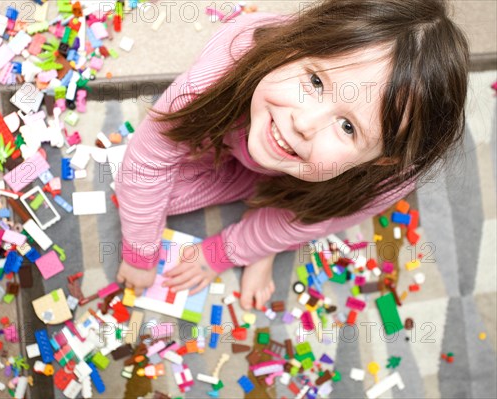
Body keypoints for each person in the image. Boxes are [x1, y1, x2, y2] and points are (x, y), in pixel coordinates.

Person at [115, 0, 469, 310]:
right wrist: (140, 253)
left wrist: (221, 253)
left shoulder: (384, 181)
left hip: (310, 179)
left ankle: (267, 231)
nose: (303, 122)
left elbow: (306, 218)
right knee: (148, 194)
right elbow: (150, 154)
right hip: (231, 132)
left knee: (296, 220)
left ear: (381, 160)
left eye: (348, 127)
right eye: (315, 82)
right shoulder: (226, 63)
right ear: (295, 45)